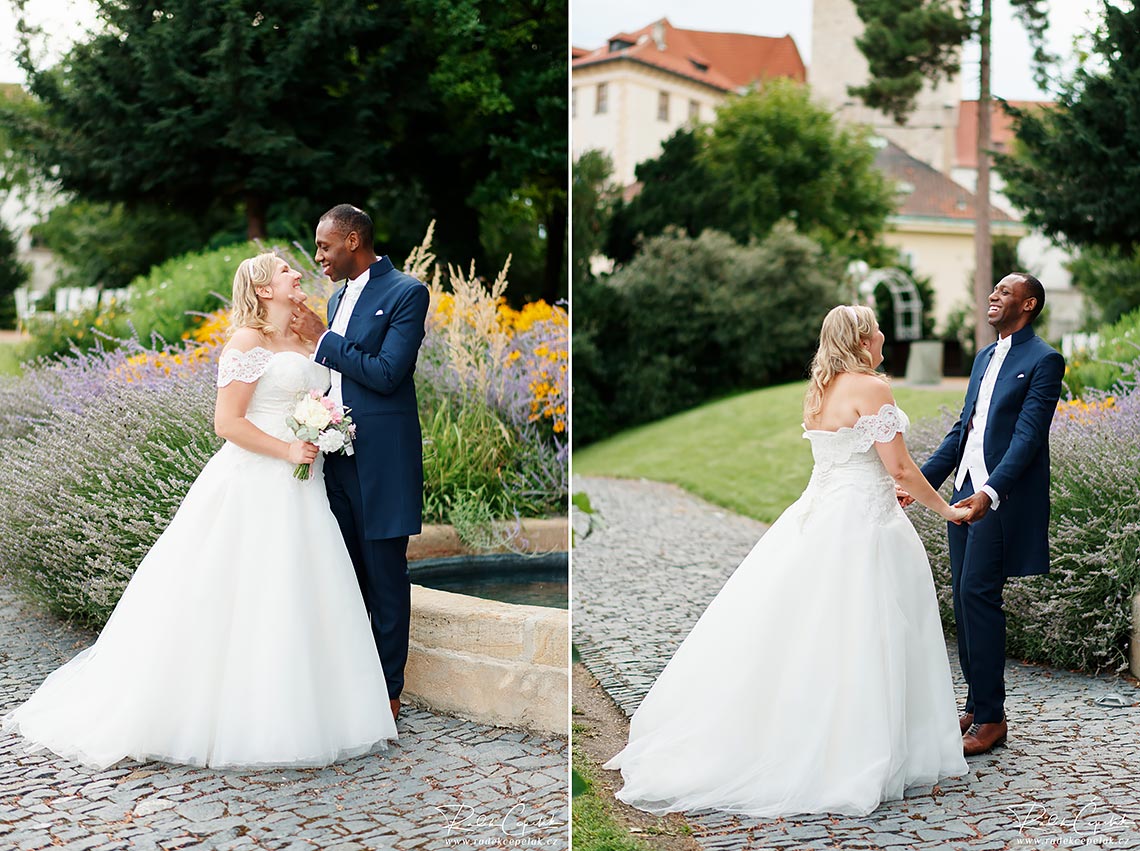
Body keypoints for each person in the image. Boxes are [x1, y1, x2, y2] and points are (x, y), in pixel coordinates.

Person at [2, 252, 397, 770]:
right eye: (284, 271)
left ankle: (315, 708)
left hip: (306, 488)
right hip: (257, 483)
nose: (297, 274)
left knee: (300, 591)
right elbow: (228, 423)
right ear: (261, 289)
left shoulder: (306, 340)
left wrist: (324, 429)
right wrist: (289, 451)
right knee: (238, 594)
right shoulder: (245, 344)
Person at [604, 305, 969, 818]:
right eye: (878, 327)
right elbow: (902, 468)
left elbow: (846, 460)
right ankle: (860, 748)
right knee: (869, 630)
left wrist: (889, 482)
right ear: (864, 338)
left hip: (819, 516)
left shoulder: (819, 390)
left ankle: (805, 732)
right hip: (865, 525)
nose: (885, 333)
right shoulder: (872, 387)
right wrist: (948, 509)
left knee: (810, 633)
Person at [912, 272, 1064, 757]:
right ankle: (977, 704)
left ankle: (993, 717)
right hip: (963, 491)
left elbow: (1028, 437)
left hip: (997, 499)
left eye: (1005, 291)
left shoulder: (1044, 360)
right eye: (993, 290)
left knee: (979, 594)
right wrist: (918, 482)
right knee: (962, 596)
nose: (993, 295)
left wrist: (992, 490)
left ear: (1030, 303)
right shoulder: (983, 356)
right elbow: (963, 430)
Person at [288, 205, 430, 722]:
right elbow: (335, 376)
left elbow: (389, 373)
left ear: (352, 240)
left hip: (383, 461)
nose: (319, 257)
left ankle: (388, 694)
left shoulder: (406, 293)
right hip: (336, 457)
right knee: (344, 576)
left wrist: (322, 339)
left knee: (386, 577)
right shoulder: (336, 296)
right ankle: (350, 686)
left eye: (325, 247)